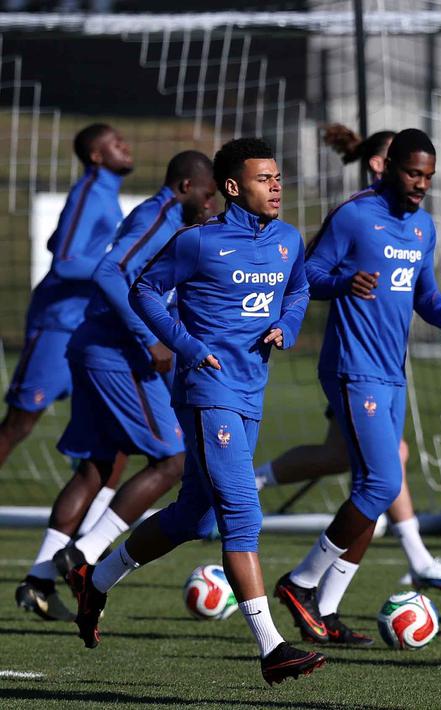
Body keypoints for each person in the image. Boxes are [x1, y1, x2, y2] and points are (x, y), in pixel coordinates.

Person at [67, 138, 325, 685]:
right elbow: (143, 292)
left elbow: (299, 289)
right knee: (241, 511)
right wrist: (184, 347)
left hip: (252, 392)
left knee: (196, 516)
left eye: (278, 177)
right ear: (233, 189)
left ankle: (98, 579)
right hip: (207, 391)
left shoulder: (287, 240)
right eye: (264, 179)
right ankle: (272, 647)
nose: (276, 186)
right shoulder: (198, 243)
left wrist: (289, 325)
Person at [274, 128, 441, 648]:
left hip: (391, 372)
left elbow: (422, 290)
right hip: (351, 368)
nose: (421, 184)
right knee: (382, 482)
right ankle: (301, 583)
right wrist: (343, 282)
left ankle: (328, 610)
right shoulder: (355, 215)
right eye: (413, 173)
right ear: (387, 168)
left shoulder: (423, 226)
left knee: (374, 487)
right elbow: (305, 276)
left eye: (428, 176)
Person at [15, 152, 216, 621]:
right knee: (171, 459)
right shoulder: (159, 215)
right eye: (207, 197)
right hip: (114, 354)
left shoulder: (169, 219)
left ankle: (38, 582)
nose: (210, 207)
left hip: (95, 347)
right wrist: (149, 337)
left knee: (98, 467)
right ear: (186, 187)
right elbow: (109, 272)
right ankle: (84, 556)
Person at [1, 124, 133, 470]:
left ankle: (82, 521)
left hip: (86, 326)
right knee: (18, 424)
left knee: (104, 429)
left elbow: (58, 241)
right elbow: (64, 261)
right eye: (116, 144)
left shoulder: (105, 193)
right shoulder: (89, 192)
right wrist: (117, 270)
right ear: (96, 156)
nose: (126, 147)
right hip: (59, 324)